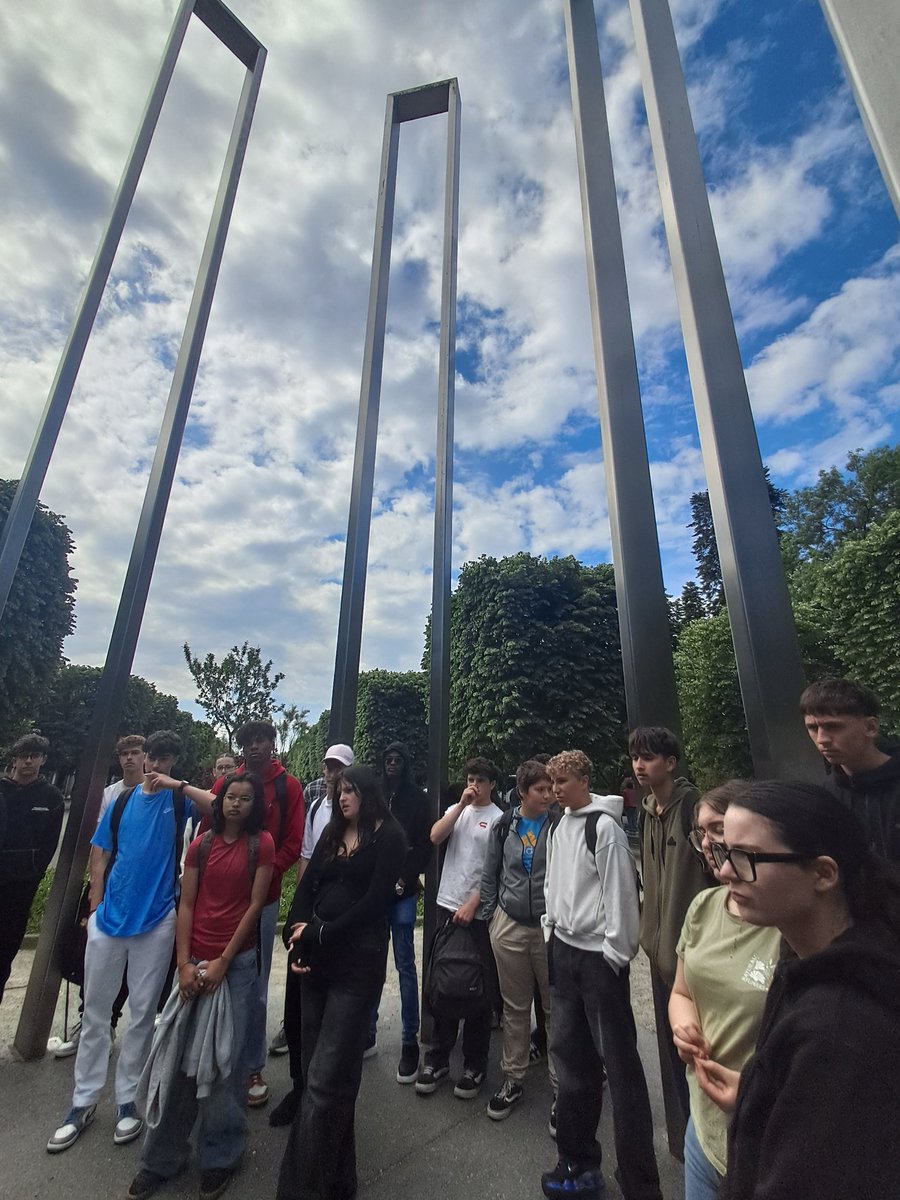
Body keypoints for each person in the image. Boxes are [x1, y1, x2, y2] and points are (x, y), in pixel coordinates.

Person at [693, 781, 900, 1200]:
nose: (726, 870)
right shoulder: (805, 958)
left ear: (823, 873)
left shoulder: (838, 1031)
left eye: (746, 857)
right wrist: (758, 1095)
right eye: (722, 851)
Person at [47, 730, 198, 1153]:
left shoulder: (176, 801)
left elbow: (215, 806)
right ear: (144, 759)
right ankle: (83, 1100)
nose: (158, 765)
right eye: (154, 757)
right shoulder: (120, 802)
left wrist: (179, 785)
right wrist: (94, 909)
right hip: (111, 920)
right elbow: (101, 854)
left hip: (155, 921)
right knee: (96, 1012)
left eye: (167, 759)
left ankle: (127, 1098)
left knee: (142, 1013)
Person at [127, 772, 274, 1200]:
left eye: (246, 799)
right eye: (231, 796)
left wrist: (224, 961)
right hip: (193, 962)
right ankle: (160, 1158)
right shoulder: (201, 844)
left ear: (254, 806)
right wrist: (183, 964)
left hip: (236, 963)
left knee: (223, 1065)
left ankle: (221, 1154)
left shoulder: (259, 844)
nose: (236, 804)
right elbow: (186, 903)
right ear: (219, 799)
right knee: (175, 1062)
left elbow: (255, 906)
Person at [275, 765, 406, 1200]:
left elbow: (374, 902)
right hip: (316, 965)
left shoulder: (389, 836)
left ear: (368, 793)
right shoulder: (333, 834)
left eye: (350, 790)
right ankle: (338, 1181)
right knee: (328, 1078)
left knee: (324, 1081)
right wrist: (296, 933)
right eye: (339, 790)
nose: (342, 796)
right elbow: (307, 885)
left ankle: (298, 1190)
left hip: (356, 967)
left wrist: (318, 932)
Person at [540, 750, 661, 1200]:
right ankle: (576, 1160)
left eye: (564, 781)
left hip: (596, 960)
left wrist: (615, 951)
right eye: (553, 782)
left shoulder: (603, 827)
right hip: (566, 950)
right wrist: (550, 929)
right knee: (571, 1061)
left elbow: (621, 893)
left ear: (584, 779)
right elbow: (552, 883)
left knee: (620, 1067)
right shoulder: (559, 826)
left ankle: (640, 1183)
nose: (556, 790)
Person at [668, 782, 780, 1200]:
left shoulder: (794, 930)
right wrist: (683, 1026)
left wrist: (754, 1094)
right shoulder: (704, 906)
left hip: (768, 1143)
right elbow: (681, 992)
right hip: (705, 1126)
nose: (713, 846)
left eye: (722, 829)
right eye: (704, 832)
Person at [208, 719, 304, 1108]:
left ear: (272, 743)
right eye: (248, 741)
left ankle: (251, 1066)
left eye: (262, 740)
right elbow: (207, 830)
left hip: (262, 902)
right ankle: (214, 1059)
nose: (255, 747)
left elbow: (294, 841)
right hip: (220, 899)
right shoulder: (226, 786)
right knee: (213, 973)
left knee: (256, 986)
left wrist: (263, 877)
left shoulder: (288, 786)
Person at [631, 724, 709, 1156]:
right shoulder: (647, 811)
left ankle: (710, 1148)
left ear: (670, 763)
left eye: (649, 758)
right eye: (636, 758)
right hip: (659, 953)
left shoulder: (692, 808)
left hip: (690, 956)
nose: (640, 765)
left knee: (700, 1052)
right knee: (674, 1054)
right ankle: (687, 1143)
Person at [269, 743, 355, 1126]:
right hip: (311, 918)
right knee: (300, 1003)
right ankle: (300, 1084)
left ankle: (324, 1094)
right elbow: (305, 857)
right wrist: (297, 913)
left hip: (339, 926)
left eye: (338, 768)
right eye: (328, 766)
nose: (330, 772)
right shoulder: (319, 808)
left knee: (332, 1012)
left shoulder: (359, 817)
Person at [52, 734, 146, 1057]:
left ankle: (111, 1021)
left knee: (129, 960)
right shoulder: (111, 794)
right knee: (92, 956)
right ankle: (88, 1022)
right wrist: (96, 891)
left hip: (142, 888)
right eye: (125, 754)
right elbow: (100, 846)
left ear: (145, 756)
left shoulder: (157, 792)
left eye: (135, 752)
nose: (130, 758)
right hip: (110, 884)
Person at [416, 757, 503, 1101]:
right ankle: (438, 1058)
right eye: (470, 779)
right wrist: (461, 806)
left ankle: (474, 1063)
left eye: (480, 780)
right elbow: (435, 835)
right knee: (444, 982)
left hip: (477, 913)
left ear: (492, 784)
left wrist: (475, 902)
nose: (474, 785)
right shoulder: (459, 808)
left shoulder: (498, 819)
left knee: (476, 987)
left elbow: (496, 869)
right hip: (446, 904)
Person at [479, 758, 558, 1121]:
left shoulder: (559, 825)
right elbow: (490, 872)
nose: (548, 794)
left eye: (550, 788)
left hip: (548, 926)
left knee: (554, 1009)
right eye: (540, 789)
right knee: (515, 1009)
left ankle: (563, 1086)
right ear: (523, 792)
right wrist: (491, 917)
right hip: (509, 925)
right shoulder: (504, 825)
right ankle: (513, 1078)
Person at [368, 741, 432, 1083]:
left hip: (403, 890)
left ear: (406, 764)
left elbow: (425, 845)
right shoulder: (374, 794)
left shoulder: (417, 800)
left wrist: (406, 877)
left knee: (405, 965)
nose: (392, 763)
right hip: (376, 890)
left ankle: (410, 1041)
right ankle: (367, 1030)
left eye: (398, 759)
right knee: (371, 961)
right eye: (388, 758)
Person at [800, 676, 900, 860]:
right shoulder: (824, 797)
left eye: (833, 727)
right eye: (813, 728)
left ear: (871, 727)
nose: (822, 739)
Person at [0, 733, 64, 1004]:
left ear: (43, 760)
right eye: (23, 755)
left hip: (20, 888)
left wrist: (34, 873)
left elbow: (50, 843)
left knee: (4, 955)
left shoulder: (51, 798)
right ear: (14, 758)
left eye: (34, 756)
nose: (28, 761)